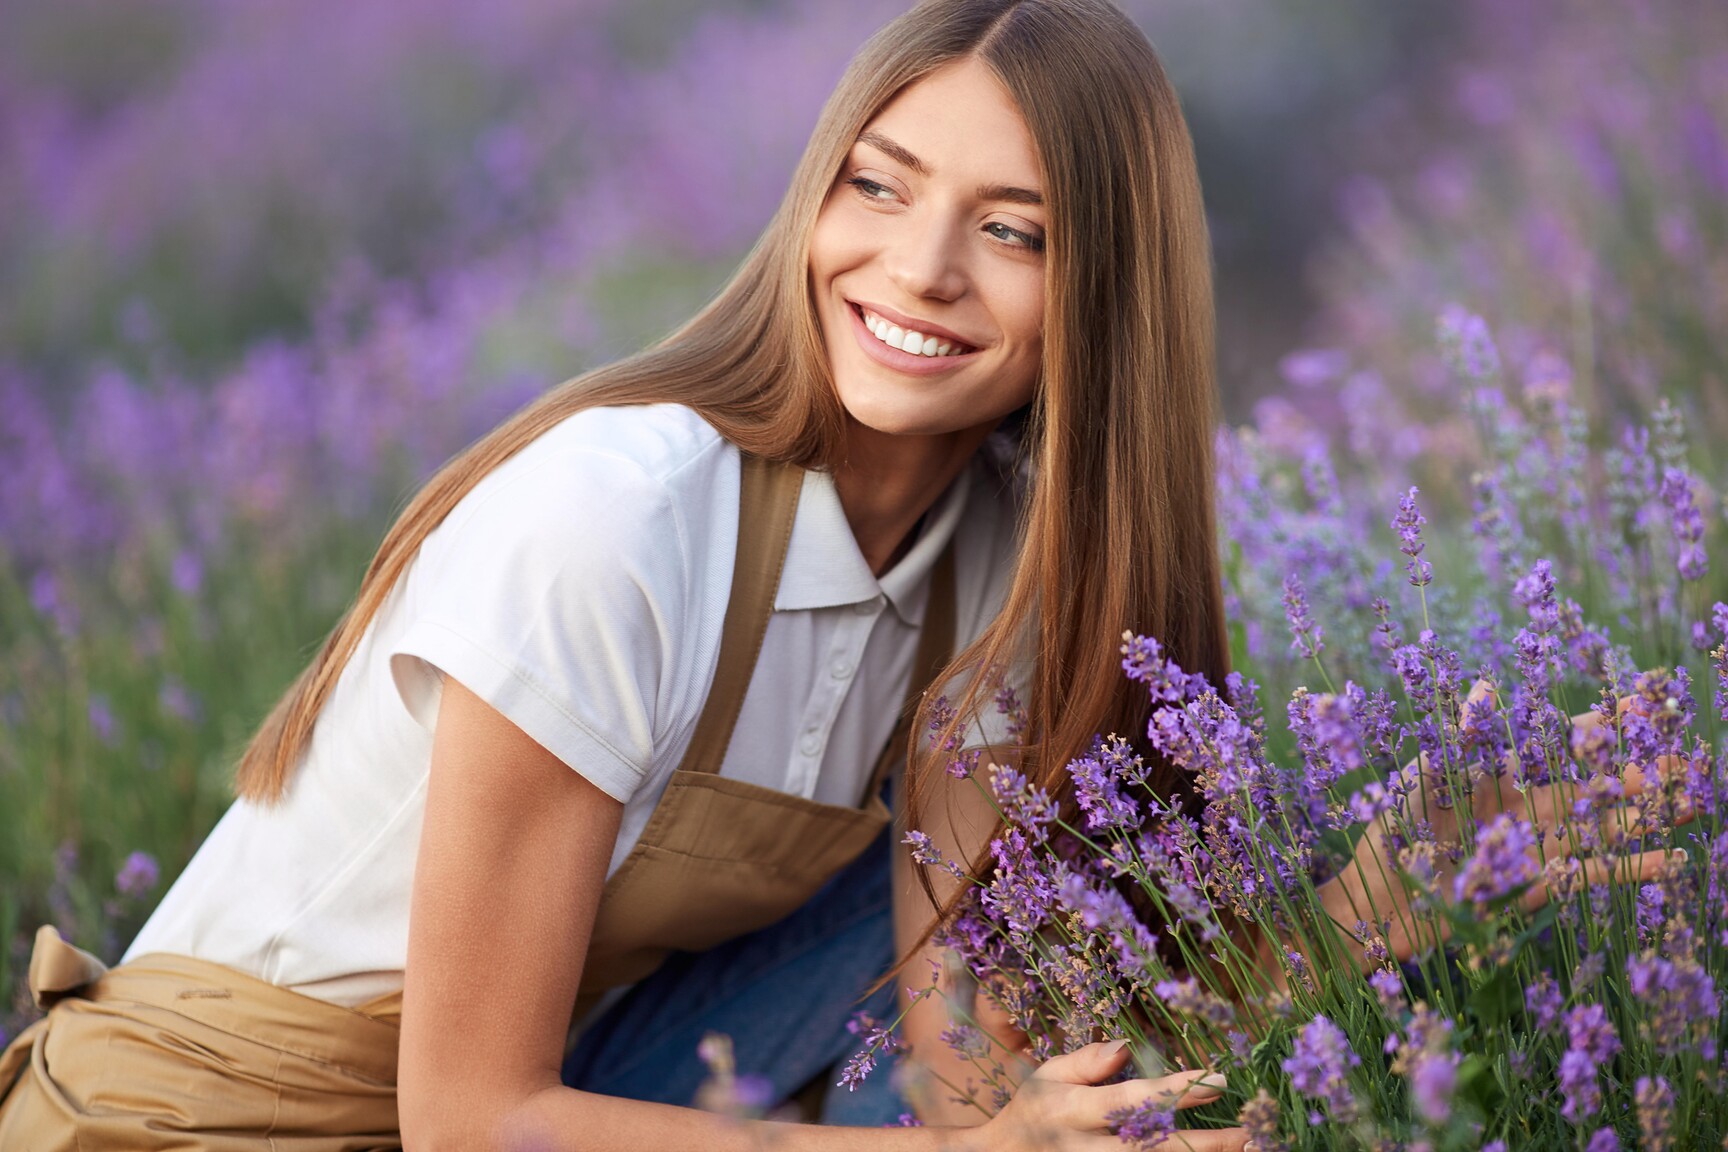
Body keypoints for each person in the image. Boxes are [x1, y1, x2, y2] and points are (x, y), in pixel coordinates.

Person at [0, 1, 1251, 1148]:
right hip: (200, 1119)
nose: (921, 267)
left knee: (966, 903)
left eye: (1010, 230)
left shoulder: (993, 565)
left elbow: (956, 1056)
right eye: (877, 186)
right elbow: (475, 1121)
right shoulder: (615, 520)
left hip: (564, 1082)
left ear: (1103, 290)